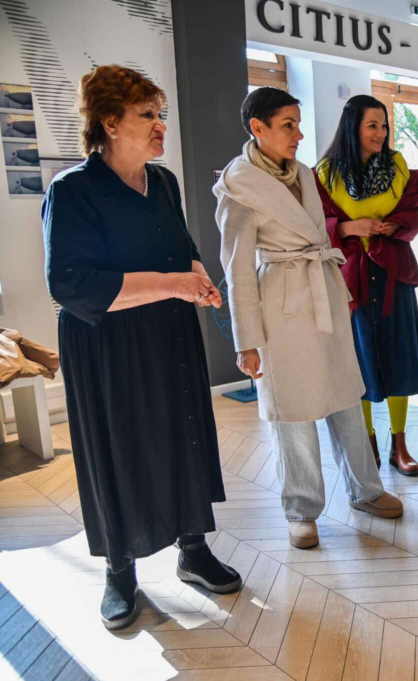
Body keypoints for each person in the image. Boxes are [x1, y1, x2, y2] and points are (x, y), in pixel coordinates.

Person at [42, 65, 241, 630]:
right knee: (118, 449)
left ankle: (193, 549)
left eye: (161, 114)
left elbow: (182, 246)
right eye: (147, 115)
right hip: (106, 346)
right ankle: (120, 570)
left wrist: (197, 276)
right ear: (109, 122)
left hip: (168, 334)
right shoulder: (72, 190)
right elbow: (71, 283)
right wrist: (176, 284)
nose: (160, 126)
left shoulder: (164, 182)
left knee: (183, 433)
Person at [214, 87, 402, 551]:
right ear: (257, 128)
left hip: (323, 294)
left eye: (298, 124)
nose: (299, 135)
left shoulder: (301, 172)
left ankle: (365, 489)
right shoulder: (238, 186)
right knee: (293, 411)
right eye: (288, 125)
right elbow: (237, 270)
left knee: (345, 396)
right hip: (281, 305)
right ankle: (301, 509)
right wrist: (246, 341)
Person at [315, 95, 418, 477]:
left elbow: (417, 211)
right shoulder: (325, 174)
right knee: (358, 360)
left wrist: (396, 225)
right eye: (372, 125)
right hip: (352, 277)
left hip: (394, 273)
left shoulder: (397, 167)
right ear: (353, 127)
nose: (381, 133)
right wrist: (350, 227)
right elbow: (315, 225)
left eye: (384, 125)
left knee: (398, 356)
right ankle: (368, 442)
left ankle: (400, 444)